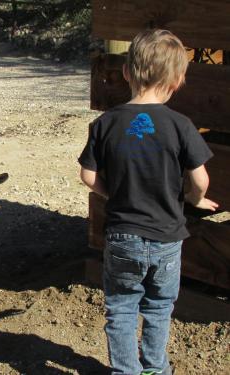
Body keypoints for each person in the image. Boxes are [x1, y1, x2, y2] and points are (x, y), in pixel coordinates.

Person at [78, 29, 219, 375]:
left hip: (123, 237)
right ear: (178, 79)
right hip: (167, 238)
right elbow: (200, 180)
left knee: (122, 308)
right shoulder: (181, 126)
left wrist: (116, 194)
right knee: (158, 307)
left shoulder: (105, 124)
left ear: (126, 72)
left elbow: (87, 175)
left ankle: (125, 371)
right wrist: (193, 199)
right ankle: (155, 368)